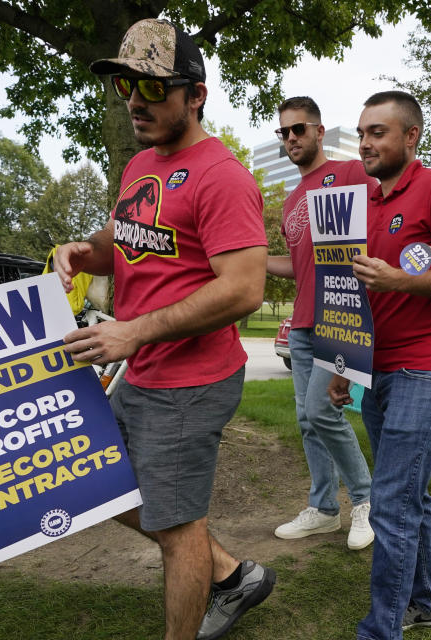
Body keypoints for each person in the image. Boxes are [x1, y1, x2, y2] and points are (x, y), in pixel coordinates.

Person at [54, 19, 273, 640]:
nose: (134, 101)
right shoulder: (140, 165)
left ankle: (205, 601)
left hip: (191, 381)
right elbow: (123, 239)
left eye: (152, 89)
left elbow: (243, 288)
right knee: (101, 486)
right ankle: (232, 574)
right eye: (126, 86)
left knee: (177, 531)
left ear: (196, 95)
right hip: (143, 369)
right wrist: (85, 250)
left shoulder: (222, 175)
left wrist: (134, 332)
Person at [327, 90, 431, 639]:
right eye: (362, 132)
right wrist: (345, 363)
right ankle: (428, 602)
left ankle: (380, 630)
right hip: (378, 368)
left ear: (410, 137)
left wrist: (401, 279)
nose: (365, 142)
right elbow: (354, 296)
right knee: (408, 496)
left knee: (389, 502)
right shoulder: (362, 203)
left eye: (378, 132)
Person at [266, 97, 376, 550]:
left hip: (340, 317)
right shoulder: (291, 199)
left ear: (319, 131)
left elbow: (382, 226)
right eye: (284, 132)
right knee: (307, 420)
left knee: (321, 411)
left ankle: (367, 501)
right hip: (303, 324)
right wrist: (247, 260)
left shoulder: (351, 175)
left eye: (299, 129)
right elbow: (300, 264)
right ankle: (325, 508)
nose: (291, 138)